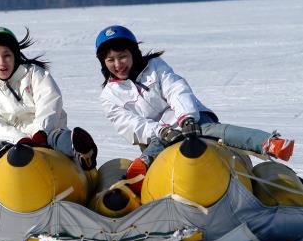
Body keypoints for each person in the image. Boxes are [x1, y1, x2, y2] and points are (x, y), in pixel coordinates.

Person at [95, 25, 294, 194]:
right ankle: (141, 171)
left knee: (210, 132)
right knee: (160, 143)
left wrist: (186, 118)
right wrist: (161, 130)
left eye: (122, 57)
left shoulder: (155, 67)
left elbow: (176, 90)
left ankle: (269, 143)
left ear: (133, 53)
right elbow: (130, 124)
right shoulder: (109, 96)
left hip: (192, 119)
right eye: (111, 60)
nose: (118, 64)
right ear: (103, 63)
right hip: (157, 134)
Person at [0, 26, 97, 181]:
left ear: (15, 54)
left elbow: (49, 101)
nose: (2, 63)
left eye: (7, 55)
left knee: (60, 138)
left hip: (47, 132)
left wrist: (40, 131)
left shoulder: (34, 73)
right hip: (12, 141)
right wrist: (18, 138)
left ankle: (83, 152)